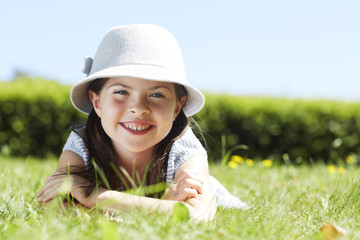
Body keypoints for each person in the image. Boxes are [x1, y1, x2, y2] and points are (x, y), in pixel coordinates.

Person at [36, 24, 248, 221]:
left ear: (177, 107)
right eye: (121, 92)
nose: (138, 108)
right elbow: (54, 208)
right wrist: (162, 209)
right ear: (97, 103)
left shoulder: (184, 148)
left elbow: (197, 216)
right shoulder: (81, 145)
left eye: (156, 94)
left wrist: (93, 197)